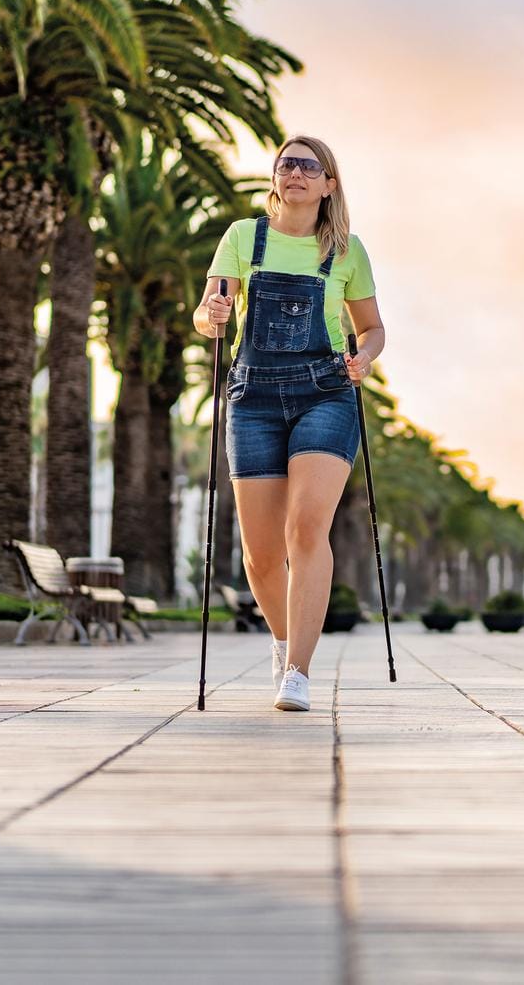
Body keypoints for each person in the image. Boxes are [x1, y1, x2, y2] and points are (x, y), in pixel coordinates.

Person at [193, 135, 386, 712]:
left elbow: (372, 328)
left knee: (305, 530)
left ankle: (298, 672)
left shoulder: (346, 250)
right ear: (275, 177)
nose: (295, 172)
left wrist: (364, 357)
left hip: (326, 394)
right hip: (252, 396)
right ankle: (282, 641)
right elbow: (208, 316)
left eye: (309, 165)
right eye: (286, 164)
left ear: (329, 184)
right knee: (259, 554)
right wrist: (211, 313)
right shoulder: (242, 237)